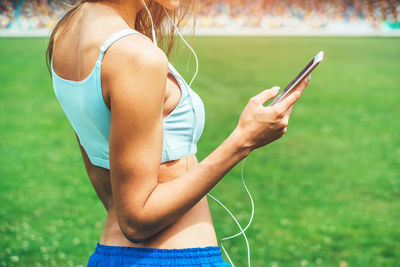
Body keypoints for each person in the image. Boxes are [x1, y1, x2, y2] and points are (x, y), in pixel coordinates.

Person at [46, 0, 310, 266]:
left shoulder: (65, 34)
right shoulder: (134, 55)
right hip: (176, 258)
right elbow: (136, 221)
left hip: (110, 255)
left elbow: (101, 168)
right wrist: (244, 140)